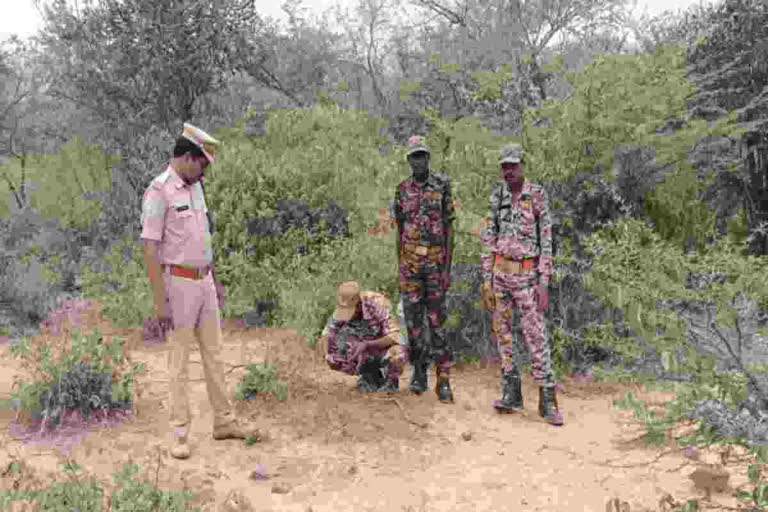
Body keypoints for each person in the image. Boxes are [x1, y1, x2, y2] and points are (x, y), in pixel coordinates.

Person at [141, 123, 262, 459]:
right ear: (188, 157)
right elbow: (150, 248)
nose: (205, 171)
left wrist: (213, 278)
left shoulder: (195, 187)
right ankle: (178, 433)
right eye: (203, 164)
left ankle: (224, 421)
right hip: (176, 283)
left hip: (204, 281)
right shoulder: (159, 191)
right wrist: (159, 299)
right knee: (178, 360)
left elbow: (200, 237)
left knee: (215, 353)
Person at [480, 144, 563, 426]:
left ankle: (547, 399)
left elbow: (547, 240)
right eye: (504, 166)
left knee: (536, 337)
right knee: (503, 336)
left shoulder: (537, 195)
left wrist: (544, 280)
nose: (508, 171)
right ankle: (511, 391)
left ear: (522, 165)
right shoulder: (497, 196)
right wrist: (486, 279)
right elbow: (488, 238)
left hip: (528, 278)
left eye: (513, 165)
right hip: (500, 276)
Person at [392, 135, 455, 403]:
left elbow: (450, 227)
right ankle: (419, 373)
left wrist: (447, 268)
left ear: (428, 157)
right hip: (410, 268)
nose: (419, 160)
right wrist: (401, 265)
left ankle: (443, 379)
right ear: (409, 160)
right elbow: (400, 228)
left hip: (435, 266)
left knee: (437, 323)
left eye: (422, 155)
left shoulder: (442, 185)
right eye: (414, 156)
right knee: (414, 323)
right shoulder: (402, 190)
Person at [318, 282, 408, 392]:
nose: (348, 314)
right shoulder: (343, 305)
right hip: (363, 351)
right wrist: (328, 355)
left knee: (398, 353)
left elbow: (395, 336)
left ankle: (391, 381)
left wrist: (367, 344)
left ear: (358, 302)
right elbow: (327, 334)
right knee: (337, 352)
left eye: (351, 310)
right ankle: (368, 376)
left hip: (383, 347)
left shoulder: (378, 304)